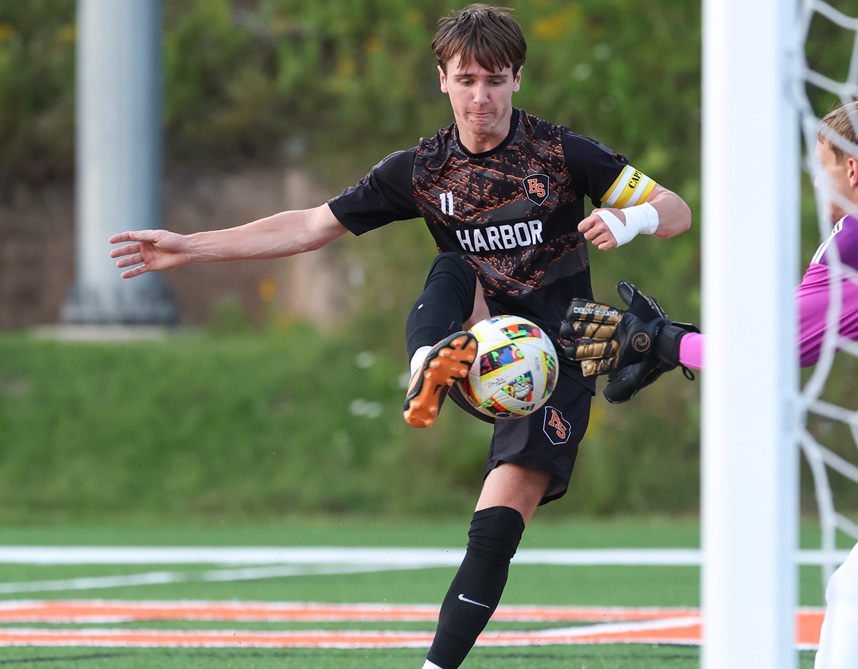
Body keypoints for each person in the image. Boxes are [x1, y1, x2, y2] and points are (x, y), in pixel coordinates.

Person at [109, 5, 691, 667]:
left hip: (554, 364)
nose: (482, 96)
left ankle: (434, 666)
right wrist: (191, 246)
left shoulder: (561, 154)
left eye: (495, 80)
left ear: (518, 79)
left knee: (496, 527)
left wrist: (631, 220)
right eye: (467, 79)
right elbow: (309, 225)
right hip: (476, 335)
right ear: (442, 80)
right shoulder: (422, 170)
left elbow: (677, 210)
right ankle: (429, 362)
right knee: (453, 264)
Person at [560, 91, 858, 667]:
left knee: (856, 588)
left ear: (851, 169)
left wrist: (665, 342)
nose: (820, 188)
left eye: (821, 170)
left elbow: (769, 356)